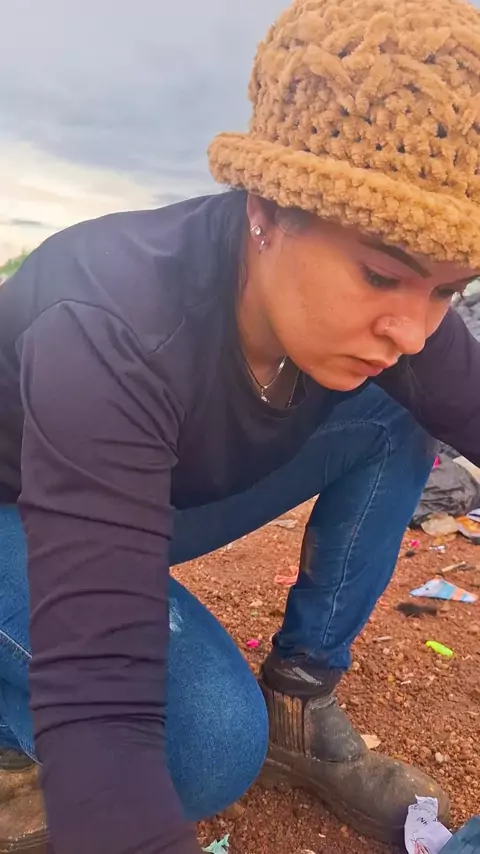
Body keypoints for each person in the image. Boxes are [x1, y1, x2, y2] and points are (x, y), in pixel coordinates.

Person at [1, 0, 480, 850]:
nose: (413, 330)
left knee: (396, 418)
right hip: (24, 504)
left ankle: (300, 698)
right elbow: (104, 700)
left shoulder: (396, 325)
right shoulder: (111, 321)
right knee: (206, 747)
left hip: (141, 493)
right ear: (265, 207)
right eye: (381, 276)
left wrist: (401, 292)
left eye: (448, 289)